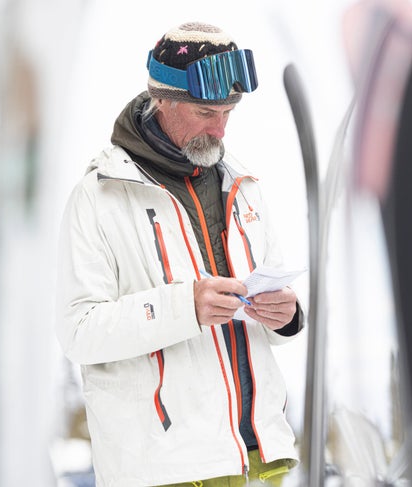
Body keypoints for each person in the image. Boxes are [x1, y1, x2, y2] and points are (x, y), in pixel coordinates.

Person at [56, 21, 303, 486]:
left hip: (261, 458)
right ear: (162, 99)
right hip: (166, 468)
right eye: (207, 111)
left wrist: (286, 314)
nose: (221, 127)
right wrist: (183, 306)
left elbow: (270, 319)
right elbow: (78, 331)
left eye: (230, 111)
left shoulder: (244, 187)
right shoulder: (100, 196)